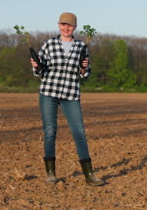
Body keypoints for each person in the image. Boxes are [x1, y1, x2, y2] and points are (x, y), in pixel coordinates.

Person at [30, 12, 104, 186]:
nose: (66, 28)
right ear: (58, 25)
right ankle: (50, 174)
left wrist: (84, 69)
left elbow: (85, 75)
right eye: (63, 24)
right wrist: (36, 66)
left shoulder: (81, 47)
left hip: (70, 93)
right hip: (49, 92)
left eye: (69, 25)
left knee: (79, 133)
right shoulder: (49, 44)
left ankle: (89, 175)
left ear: (75, 27)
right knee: (50, 132)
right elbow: (39, 71)